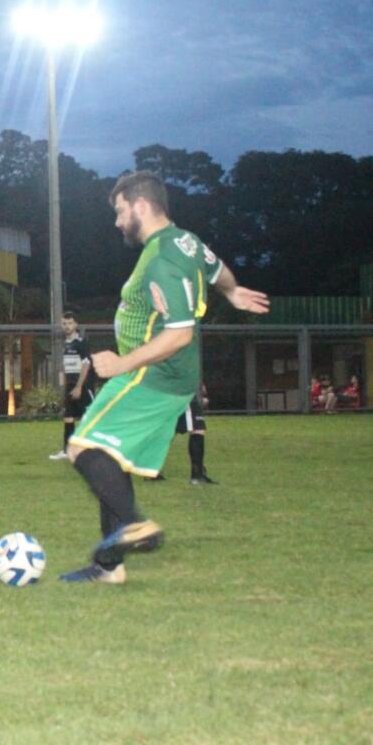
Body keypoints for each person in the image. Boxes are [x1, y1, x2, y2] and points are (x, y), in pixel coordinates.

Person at [61, 171, 268, 584]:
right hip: (170, 376)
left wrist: (122, 364)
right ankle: (109, 567)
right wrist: (231, 290)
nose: (117, 221)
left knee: (82, 448)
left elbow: (179, 334)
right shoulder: (183, 241)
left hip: (152, 372)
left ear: (141, 205)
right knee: (110, 455)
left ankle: (136, 526)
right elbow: (217, 267)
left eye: (120, 211)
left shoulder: (160, 261)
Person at [50, 312, 97, 459]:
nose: (67, 326)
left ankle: (94, 450)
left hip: (83, 386)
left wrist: (78, 386)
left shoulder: (81, 342)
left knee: (88, 418)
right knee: (68, 417)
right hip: (70, 385)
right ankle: (67, 451)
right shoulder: (67, 343)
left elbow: (86, 364)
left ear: (75, 324)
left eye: (70, 323)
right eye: (64, 323)